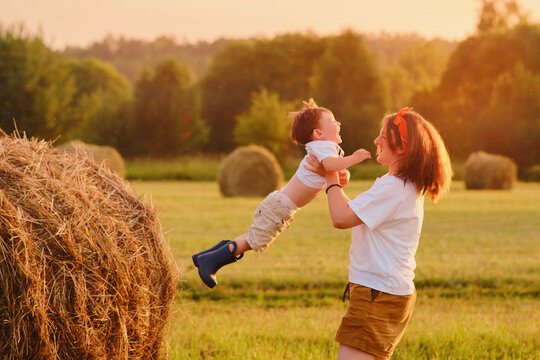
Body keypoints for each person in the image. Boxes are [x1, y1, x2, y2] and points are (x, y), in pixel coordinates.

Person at [307, 108, 452, 360]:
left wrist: (329, 171)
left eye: (383, 137)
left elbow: (341, 218)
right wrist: (336, 183)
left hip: (377, 294)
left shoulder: (394, 188)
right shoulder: (403, 186)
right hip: (385, 292)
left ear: (402, 147)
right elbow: (354, 213)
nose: (376, 141)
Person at [192, 99, 371, 288]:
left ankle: (205, 256)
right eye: (333, 121)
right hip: (280, 207)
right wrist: (354, 158)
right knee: (255, 240)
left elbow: (336, 171)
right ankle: (210, 262)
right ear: (318, 133)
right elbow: (330, 166)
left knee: (253, 236)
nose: (339, 123)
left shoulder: (328, 149)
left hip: (281, 205)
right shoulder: (322, 147)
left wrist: (344, 174)